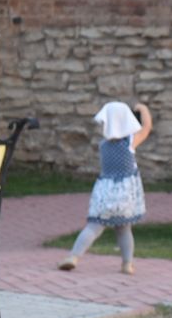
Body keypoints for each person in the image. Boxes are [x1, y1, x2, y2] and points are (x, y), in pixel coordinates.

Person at [60, 100, 153, 274]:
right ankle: (127, 264)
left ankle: (73, 256)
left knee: (93, 226)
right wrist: (143, 108)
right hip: (124, 196)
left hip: (104, 193)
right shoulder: (130, 142)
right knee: (124, 228)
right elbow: (147, 127)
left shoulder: (103, 145)